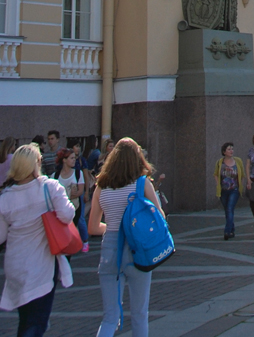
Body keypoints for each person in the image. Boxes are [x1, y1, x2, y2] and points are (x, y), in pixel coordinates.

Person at [89, 136, 164, 337]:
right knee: (139, 314)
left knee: (110, 317)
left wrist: (114, 228)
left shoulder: (101, 186)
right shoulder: (142, 184)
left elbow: (93, 227)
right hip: (137, 249)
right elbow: (160, 218)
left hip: (110, 249)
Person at [0, 143, 74, 337]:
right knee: (36, 322)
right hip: (41, 265)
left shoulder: (5, 197)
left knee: (26, 319)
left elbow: (1, 235)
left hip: (15, 265)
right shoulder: (49, 187)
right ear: (36, 164)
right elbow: (67, 215)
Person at [54, 147, 88, 252]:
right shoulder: (55, 176)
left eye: (74, 158)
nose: (74, 160)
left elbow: (79, 191)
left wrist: (64, 195)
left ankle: (77, 245)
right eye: (71, 158)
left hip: (75, 207)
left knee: (73, 228)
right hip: (60, 209)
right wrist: (69, 194)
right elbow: (53, 195)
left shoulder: (78, 173)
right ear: (64, 160)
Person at [213, 142, 245, 240]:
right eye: (229, 149)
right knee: (227, 210)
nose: (231, 151)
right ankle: (232, 229)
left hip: (234, 189)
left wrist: (240, 185)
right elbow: (216, 174)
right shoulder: (220, 162)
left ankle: (227, 231)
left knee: (230, 208)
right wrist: (218, 184)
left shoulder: (238, 161)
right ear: (224, 152)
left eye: (232, 149)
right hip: (223, 190)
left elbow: (242, 174)